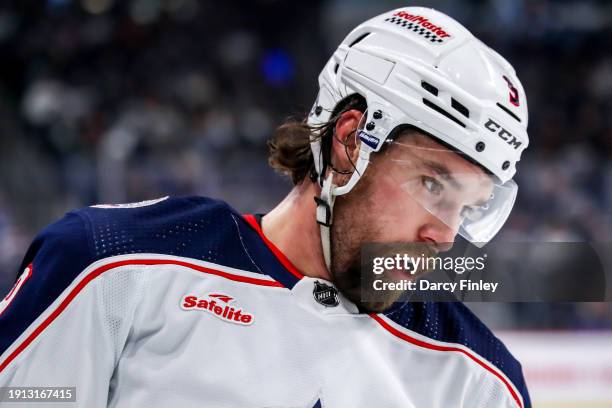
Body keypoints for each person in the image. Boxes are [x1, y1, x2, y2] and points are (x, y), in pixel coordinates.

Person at [0, 7, 530, 408]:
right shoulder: (111, 268)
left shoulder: (478, 381)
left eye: (470, 207)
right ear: (350, 143)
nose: (444, 236)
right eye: (433, 187)